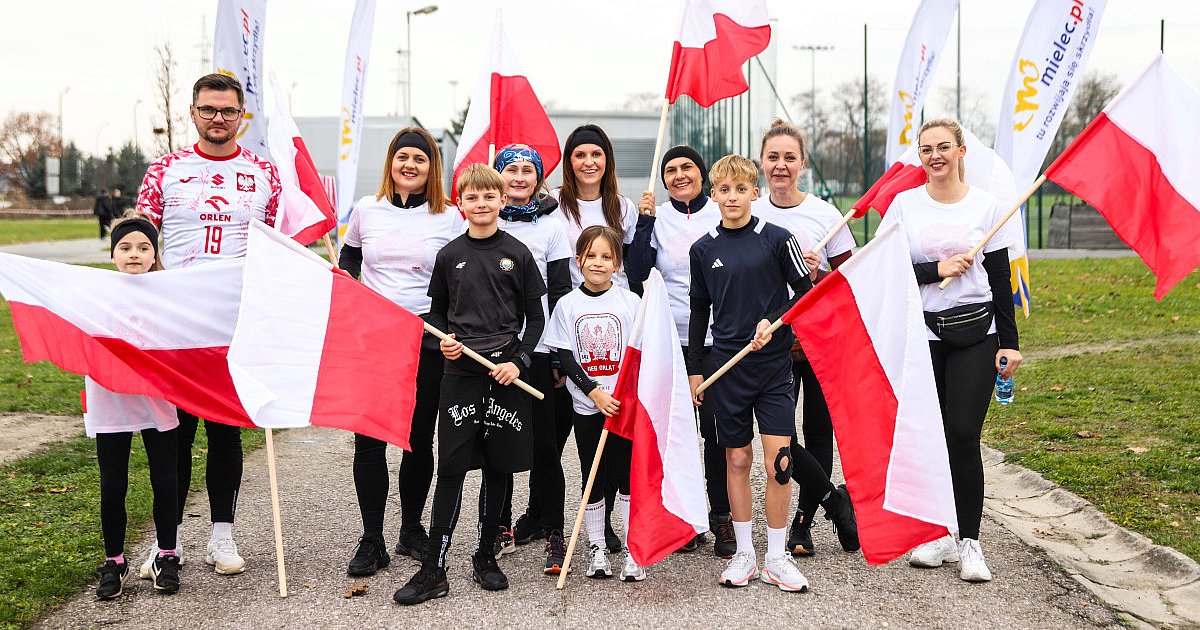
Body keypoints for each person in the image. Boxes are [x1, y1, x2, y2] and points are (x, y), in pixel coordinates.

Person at [134, 72, 280, 578]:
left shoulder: (264, 173)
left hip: (232, 326)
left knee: (225, 435)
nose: (219, 118)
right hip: (174, 325)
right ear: (192, 112)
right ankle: (165, 544)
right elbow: (137, 241)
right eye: (209, 109)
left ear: (243, 117)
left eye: (229, 111)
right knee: (172, 435)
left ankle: (223, 536)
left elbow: (279, 245)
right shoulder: (166, 170)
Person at [687, 155, 854, 593]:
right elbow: (698, 313)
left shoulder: (779, 239)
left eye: (740, 189)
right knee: (736, 459)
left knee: (780, 463)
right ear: (714, 195)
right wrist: (693, 371)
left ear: (754, 193)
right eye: (723, 190)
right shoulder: (703, 249)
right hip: (727, 369)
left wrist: (773, 320)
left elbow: (805, 294)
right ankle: (744, 553)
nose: (732, 197)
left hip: (774, 367)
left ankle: (777, 557)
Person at [393, 164, 546, 605]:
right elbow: (437, 314)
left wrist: (519, 362)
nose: (481, 204)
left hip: (505, 373)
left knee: (498, 468)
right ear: (460, 203)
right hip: (461, 375)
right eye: (472, 198)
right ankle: (434, 567)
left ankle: (485, 554)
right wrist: (445, 341)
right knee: (453, 469)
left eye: (488, 197)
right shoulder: (449, 255)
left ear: (502, 201)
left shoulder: (517, 254)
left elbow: (536, 318)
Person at [881, 118, 1022, 583]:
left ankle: (970, 541)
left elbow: (1000, 279)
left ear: (962, 151)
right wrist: (935, 268)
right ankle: (940, 534)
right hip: (923, 336)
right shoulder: (904, 205)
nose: (935, 156)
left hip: (975, 333)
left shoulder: (988, 207)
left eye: (944, 147)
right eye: (926, 150)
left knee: (962, 431)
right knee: (931, 435)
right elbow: (885, 264)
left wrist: (1010, 343)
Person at [338, 127, 462, 576]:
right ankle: (372, 539)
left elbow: (459, 274)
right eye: (402, 156)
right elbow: (349, 258)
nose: (410, 165)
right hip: (373, 339)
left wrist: (449, 328)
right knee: (368, 440)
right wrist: (349, 278)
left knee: (416, 439)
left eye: (420, 159)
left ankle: (411, 528)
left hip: (427, 340)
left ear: (433, 168)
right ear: (390, 161)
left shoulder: (449, 216)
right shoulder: (366, 211)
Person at [751, 120, 859, 557]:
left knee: (818, 430)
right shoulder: (752, 211)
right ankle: (837, 502)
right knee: (780, 433)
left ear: (801, 163)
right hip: (772, 338)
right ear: (762, 162)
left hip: (819, 338)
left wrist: (822, 273)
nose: (780, 166)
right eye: (773, 157)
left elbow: (850, 277)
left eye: (789, 157)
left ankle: (804, 522)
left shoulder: (825, 214)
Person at [626, 145, 734, 558]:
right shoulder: (657, 216)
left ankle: (722, 517)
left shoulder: (719, 210)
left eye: (687, 166)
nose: (678, 175)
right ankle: (685, 520)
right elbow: (637, 274)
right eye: (670, 169)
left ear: (702, 174)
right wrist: (645, 222)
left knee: (717, 432)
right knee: (675, 432)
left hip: (717, 340)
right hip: (670, 338)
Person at [550, 123, 638, 550]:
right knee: (568, 444)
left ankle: (621, 531)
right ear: (570, 161)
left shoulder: (624, 207)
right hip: (572, 327)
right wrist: (559, 360)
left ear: (607, 161)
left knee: (621, 456)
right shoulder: (555, 208)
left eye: (596, 155)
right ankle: (553, 525)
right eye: (580, 155)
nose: (588, 162)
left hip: (615, 327)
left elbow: (630, 263)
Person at [487, 144, 573, 574]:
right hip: (493, 354)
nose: (519, 177)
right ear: (498, 175)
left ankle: (555, 533)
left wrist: (558, 355)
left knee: (544, 447)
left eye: (527, 171)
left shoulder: (553, 227)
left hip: (537, 352)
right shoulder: (483, 218)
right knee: (499, 445)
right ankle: (499, 526)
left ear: (538, 177)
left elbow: (558, 294)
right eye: (511, 170)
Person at [545, 225, 643, 582]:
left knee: (627, 477)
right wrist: (593, 392)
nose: (598, 263)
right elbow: (565, 356)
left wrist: (621, 394)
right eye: (591, 256)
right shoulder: (568, 305)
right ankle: (597, 547)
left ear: (617, 263)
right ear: (578, 260)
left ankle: (634, 549)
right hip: (588, 407)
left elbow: (639, 353)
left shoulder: (630, 302)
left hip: (623, 409)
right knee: (593, 477)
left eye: (606, 257)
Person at [91, 218, 181, 599]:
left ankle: (167, 555)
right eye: (125, 247)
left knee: (165, 480)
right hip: (110, 399)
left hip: (156, 399)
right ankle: (114, 561)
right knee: (113, 484)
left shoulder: (169, 293)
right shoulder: (94, 292)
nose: (134, 254)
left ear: (155, 254)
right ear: (113, 254)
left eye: (144, 247)